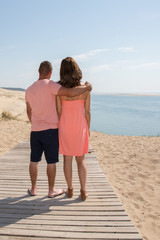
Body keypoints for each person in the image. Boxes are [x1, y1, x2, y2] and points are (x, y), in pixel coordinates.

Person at [25, 61, 92, 198]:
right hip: (67, 129)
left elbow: (55, 111)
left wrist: (39, 123)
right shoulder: (56, 86)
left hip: (51, 129)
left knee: (57, 160)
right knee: (74, 161)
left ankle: (65, 189)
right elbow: (84, 108)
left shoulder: (35, 90)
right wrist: (87, 87)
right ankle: (77, 190)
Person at [56, 57, 91, 201]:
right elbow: (87, 112)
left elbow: (58, 111)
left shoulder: (60, 90)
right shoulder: (85, 89)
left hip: (65, 126)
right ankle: (83, 191)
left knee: (67, 159)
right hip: (80, 127)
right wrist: (87, 129)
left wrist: (60, 126)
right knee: (81, 160)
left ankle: (70, 189)